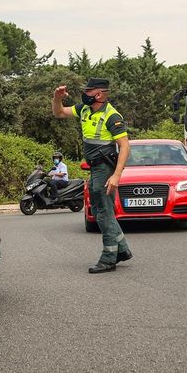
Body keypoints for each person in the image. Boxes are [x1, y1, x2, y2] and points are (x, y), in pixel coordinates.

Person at [52, 78, 132, 273]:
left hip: (105, 169)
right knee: (98, 211)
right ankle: (122, 249)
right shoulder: (84, 109)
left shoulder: (113, 116)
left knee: (103, 212)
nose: (85, 93)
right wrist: (57, 98)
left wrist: (116, 176)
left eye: (89, 91)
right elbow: (60, 112)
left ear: (100, 94)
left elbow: (125, 146)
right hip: (95, 169)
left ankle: (108, 258)